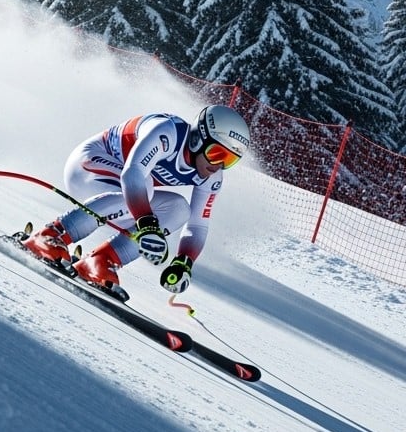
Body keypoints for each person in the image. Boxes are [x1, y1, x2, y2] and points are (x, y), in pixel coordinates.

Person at [22, 104, 251, 295]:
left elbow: (198, 224)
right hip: (87, 167)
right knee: (145, 187)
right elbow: (133, 174)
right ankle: (51, 235)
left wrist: (184, 262)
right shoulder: (168, 133)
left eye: (229, 160)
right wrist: (147, 223)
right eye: (216, 154)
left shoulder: (212, 177)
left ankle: (102, 260)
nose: (218, 166)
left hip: (120, 194)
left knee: (179, 209)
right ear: (197, 139)